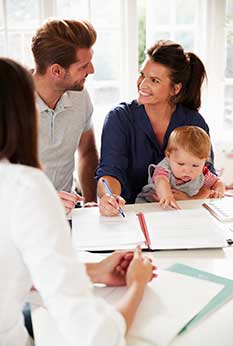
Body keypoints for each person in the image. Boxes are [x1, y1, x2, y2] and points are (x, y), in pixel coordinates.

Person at [0, 57, 156, 346]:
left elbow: (8, 271)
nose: (92, 70)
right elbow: (96, 339)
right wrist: (137, 285)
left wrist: (94, 271)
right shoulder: (23, 186)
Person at [96, 40, 216, 216]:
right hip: (130, 215)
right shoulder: (119, 118)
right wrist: (109, 196)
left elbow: (208, 176)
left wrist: (192, 200)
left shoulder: (194, 122)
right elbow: (110, 172)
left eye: (154, 80)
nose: (142, 84)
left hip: (182, 214)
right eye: (142, 75)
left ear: (175, 89)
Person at [31, 19, 99, 213]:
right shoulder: (10, 104)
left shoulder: (80, 97)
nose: (91, 70)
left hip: (66, 215)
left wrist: (90, 202)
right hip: (17, 218)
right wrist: (44, 202)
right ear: (57, 71)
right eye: (83, 66)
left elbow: (87, 152)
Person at [136, 126, 225, 208]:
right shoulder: (164, 168)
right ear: (168, 155)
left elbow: (217, 182)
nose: (187, 170)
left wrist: (218, 191)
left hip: (183, 206)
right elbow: (161, 180)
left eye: (195, 165)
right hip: (151, 203)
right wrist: (167, 196)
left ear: (204, 161)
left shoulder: (203, 173)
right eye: (181, 164)